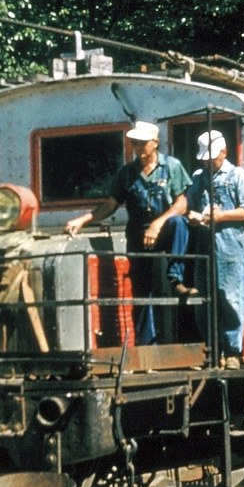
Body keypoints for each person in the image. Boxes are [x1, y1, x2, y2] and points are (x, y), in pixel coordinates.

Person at [64, 120, 193, 344]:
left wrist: (158, 223)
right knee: (142, 292)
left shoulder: (172, 166)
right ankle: (145, 346)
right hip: (137, 234)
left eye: (142, 143)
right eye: (135, 143)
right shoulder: (127, 173)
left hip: (164, 229)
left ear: (155, 143)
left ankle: (175, 277)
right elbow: (111, 204)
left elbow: (181, 204)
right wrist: (83, 219)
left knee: (179, 223)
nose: (138, 147)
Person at [187, 130, 244, 369]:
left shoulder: (237, 176)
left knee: (231, 298)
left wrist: (222, 215)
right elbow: (188, 206)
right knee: (205, 296)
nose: (208, 162)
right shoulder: (198, 178)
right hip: (205, 245)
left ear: (224, 152)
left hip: (231, 245)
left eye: (213, 157)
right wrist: (194, 216)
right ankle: (211, 349)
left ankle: (232, 352)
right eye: (205, 158)